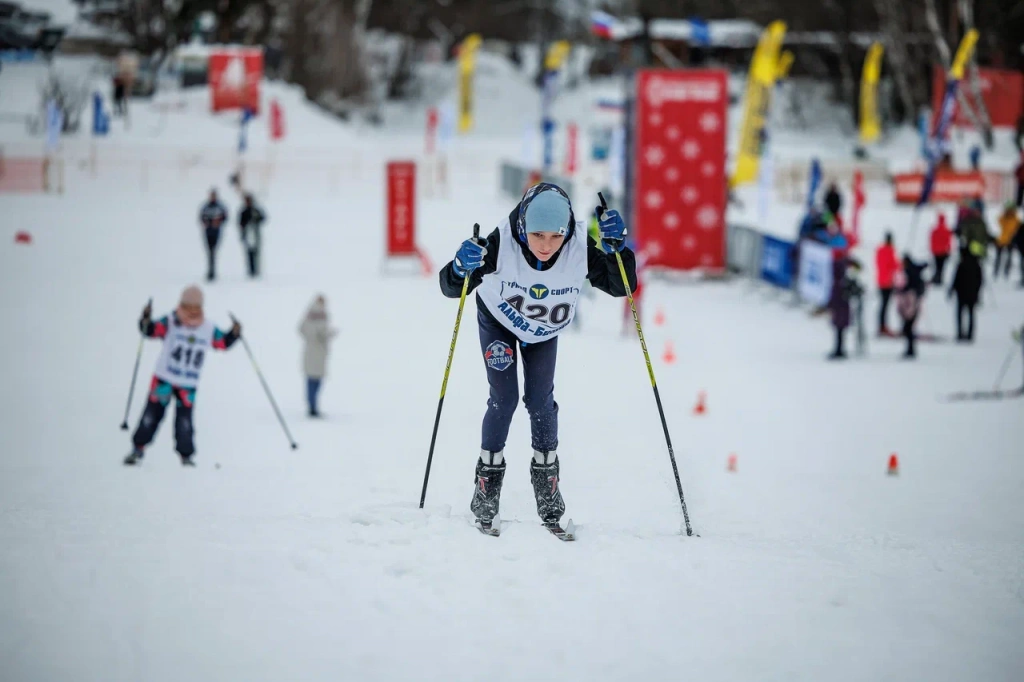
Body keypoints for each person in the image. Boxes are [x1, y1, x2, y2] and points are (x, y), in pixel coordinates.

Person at [438, 183, 637, 530]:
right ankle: (487, 485)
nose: (546, 246)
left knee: (540, 401)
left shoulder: (577, 247)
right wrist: (459, 267)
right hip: (500, 319)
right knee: (505, 398)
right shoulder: (501, 243)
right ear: (524, 226)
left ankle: (547, 483)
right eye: (537, 235)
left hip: (543, 331)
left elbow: (621, 285)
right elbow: (452, 286)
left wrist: (619, 250)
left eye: (555, 237)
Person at [124, 285, 241, 466]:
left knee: (184, 421)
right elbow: (150, 330)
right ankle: (138, 448)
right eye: (188, 306)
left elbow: (222, 343)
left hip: (188, 383)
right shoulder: (171, 321)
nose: (191, 311)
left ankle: (186, 455)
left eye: (196, 307)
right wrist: (145, 319)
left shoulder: (207, 328)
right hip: (164, 378)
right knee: (151, 415)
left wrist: (234, 333)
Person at [299, 294, 337, 418]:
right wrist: (319, 336)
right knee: (312, 379)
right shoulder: (313, 315)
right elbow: (305, 330)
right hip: (314, 351)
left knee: (316, 379)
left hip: (319, 352)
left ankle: (313, 405)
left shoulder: (321, 314)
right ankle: (312, 406)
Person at [895, 255, 927, 359]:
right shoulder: (914, 270)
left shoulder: (908, 272)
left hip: (910, 302)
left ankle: (910, 350)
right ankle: (910, 349)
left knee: (908, 327)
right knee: (909, 327)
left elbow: (904, 287)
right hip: (914, 301)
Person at [948, 247, 982, 342]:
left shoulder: (961, 264)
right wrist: (977, 292)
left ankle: (960, 333)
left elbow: (956, 279)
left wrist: (951, 290)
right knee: (971, 314)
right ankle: (970, 334)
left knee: (960, 314)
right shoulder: (976, 264)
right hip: (972, 294)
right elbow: (980, 281)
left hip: (961, 294)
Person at [199, 188, 228, 281]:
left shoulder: (220, 206)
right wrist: (207, 223)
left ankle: (212, 271)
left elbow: (225, 217)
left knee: (213, 251)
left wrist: (218, 222)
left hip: (216, 232)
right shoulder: (206, 207)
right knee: (210, 251)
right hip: (208, 232)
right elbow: (201, 217)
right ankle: (210, 271)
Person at [875, 231, 900, 336]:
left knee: (883, 305)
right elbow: (895, 265)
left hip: (880, 281)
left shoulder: (880, 250)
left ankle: (881, 325)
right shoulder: (890, 250)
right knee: (885, 305)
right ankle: (883, 326)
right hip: (888, 282)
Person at [828, 257, 851, 360]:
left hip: (839, 311)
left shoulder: (837, 284)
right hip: (842, 311)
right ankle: (839, 349)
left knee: (839, 331)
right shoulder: (844, 282)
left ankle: (839, 350)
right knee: (840, 332)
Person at [239, 193, 267, 278]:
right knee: (249, 253)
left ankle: (256, 270)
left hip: (255, 233)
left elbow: (263, 218)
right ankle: (251, 270)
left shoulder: (255, 210)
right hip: (247, 234)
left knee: (256, 253)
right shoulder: (243, 211)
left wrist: (256, 218)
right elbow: (240, 223)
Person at [995, 203, 1021, 280]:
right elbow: (999, 220)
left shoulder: (1016, 219)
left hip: (1011, 241)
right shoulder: (1004, 218)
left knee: (1009, 258)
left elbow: (1018, 227)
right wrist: (1005, 214)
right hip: (1001, 240)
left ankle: (1006, 271)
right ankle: (996, 271)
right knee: (998, 257)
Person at [929, 213, 953, 285]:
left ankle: (937, 278)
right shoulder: (946, 230)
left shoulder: (935, 230)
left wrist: (932, 249)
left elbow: (932, 240)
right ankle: (939, 279)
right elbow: (948, 241)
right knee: (941, 267)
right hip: (943, 252)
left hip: (936, 252)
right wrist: (949, 249)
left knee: (937, 266)